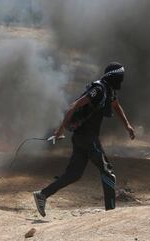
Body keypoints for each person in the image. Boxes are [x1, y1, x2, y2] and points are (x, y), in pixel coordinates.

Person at [33, 62, 135, 217]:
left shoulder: (109, 90)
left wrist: (127, 125)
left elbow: (116, 105)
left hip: (82, 139)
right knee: (108, 174)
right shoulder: (99, 89)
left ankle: (42, 194)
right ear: (113, 77)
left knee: (73, 174)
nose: (121, 81)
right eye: (120, 77)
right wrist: (60, 130)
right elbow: (73, 106)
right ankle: (110, 213)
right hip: (88, 138)